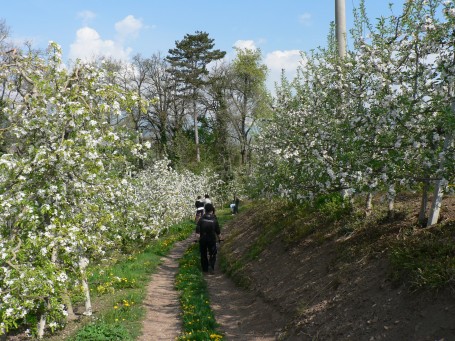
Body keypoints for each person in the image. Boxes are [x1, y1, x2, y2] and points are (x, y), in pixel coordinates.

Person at [195, 203, 221, 273]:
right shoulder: (214, 219)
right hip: (212, 239)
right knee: (212, 253)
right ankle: (211, 266)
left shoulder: (201, 219)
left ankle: (205, 269)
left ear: (205, 210)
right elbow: (218, 231)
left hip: (203, 239)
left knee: (203, 253)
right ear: (212, 210)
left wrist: (196, 239)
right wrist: (220, 239)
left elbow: (197, 231)